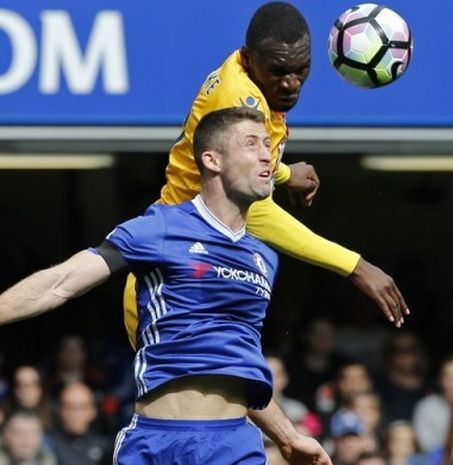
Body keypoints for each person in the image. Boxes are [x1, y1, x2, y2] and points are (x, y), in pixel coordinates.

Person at [0, 107, 330, 465]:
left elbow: (239, 368)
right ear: (212, 159)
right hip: (158, 442)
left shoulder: (263, 257)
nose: (267, 154)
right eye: (251, 144)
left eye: (268, 144)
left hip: (234, 447)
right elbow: (60, 284)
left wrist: (288, 436)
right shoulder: (159, 228)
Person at [122, 1, 409, 350]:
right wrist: (355, 266)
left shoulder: (250, 80)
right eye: (278, 71)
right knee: (210, 401)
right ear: (249, 57)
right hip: (170, 278)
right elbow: (254, 211)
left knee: (241, 397)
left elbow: (233, 171)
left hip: (200, 270)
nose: (291, 84)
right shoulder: (239, 101)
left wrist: (284, 173)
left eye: (301, 70)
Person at [46, 382, 112, 465]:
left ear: (93, 411)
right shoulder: (47, 445)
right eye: (68, 407)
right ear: (60, 411)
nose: (75, 414)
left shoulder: (105, 447)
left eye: (81, 408)